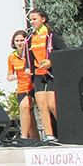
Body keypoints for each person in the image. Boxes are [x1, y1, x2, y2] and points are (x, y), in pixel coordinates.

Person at [26, 8, 65, 141]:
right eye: (31, 19)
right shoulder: (31, 38)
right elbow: (28, 58)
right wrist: (27, 68)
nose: (32, 22)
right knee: (42, 106)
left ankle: (67, 131)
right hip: (38, 74)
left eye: (35, 19)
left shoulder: (52, 36)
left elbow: (64, 52)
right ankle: (49, 135)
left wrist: (51, 61)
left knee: (53, 105)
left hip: (51, 74)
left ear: (43, 19)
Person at [7, 30, 36, 139]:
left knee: (24, 107)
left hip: (32, 88)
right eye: (17, 41)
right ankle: (35, 139)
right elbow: (9, 73)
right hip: (21, 89)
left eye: (22, 40)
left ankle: (24, 137)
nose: (20, 43)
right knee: (30, 117)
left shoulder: (31, 54)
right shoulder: (12, 57)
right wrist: (10, 77)